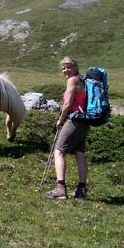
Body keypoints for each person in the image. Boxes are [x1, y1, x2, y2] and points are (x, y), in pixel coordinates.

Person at [46, 56, 90, 199]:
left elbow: (67, 104)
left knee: (58, 151)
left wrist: (60, 119)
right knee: (79, 153)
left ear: (75, 67)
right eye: (63, 67)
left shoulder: (73, 80)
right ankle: (81, 190)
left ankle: (60, 189)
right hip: (84, 122)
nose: (65, 70)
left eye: (68, 67)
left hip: (74, 120)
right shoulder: (82, 81)